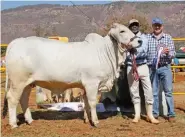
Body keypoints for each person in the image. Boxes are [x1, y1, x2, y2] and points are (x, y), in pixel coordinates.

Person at [126, 19, 159, 124]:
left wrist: (134, 49)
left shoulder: (144, 37)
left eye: (136, 25)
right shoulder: (126, 38)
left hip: (143, 66)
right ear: (129, 27)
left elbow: (144, 49)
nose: (134, 27)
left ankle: (150, 115)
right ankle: (137, 115)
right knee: (133, 90)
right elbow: (123, 52)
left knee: (148, 90)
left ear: (138, 26)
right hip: (130, 66)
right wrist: (127, 50)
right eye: (132, 25)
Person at [147, 17, 176, 122]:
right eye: (155, 25)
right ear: (152, 26)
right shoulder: (147, 38)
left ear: (162, 26)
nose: (157, 27)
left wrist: (169, 53)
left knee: (168, 92)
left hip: (165, 67)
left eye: (159, 25)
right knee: (154, 92)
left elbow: (174, 53)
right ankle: (155, 114)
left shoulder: (168, 38)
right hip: (152, 68)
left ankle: (171, 114)